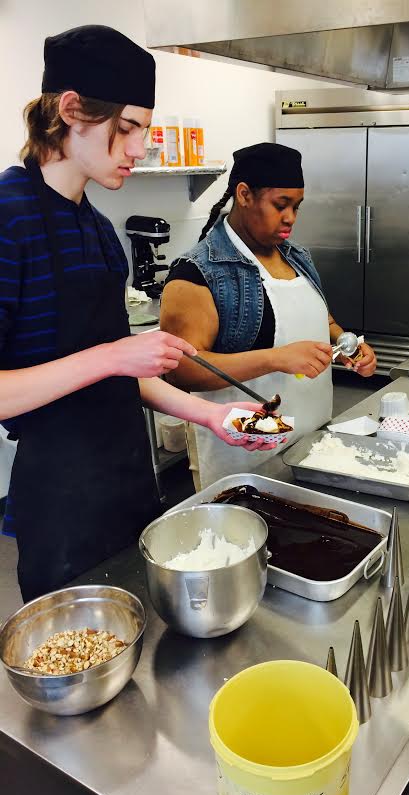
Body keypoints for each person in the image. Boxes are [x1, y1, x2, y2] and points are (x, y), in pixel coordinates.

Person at [0, 25, 271, 602]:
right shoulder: (7, 217)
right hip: (60, 500)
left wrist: (210, 417)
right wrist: (111, 355)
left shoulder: (98, 230)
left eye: (143, 130)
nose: (138, 148)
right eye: (126, 129)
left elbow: (126, 375)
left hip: (127, 478)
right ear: (70, 110)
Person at [160, 142, 377, 490]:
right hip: (246, 460)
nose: (291, 217)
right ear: (244, 195)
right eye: (281, 205)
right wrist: (275, 359)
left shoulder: (296, 256)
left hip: (313, 447)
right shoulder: (198, 273)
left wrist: (347, 344)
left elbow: (323, 320)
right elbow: (181, 370)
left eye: (296, 206)